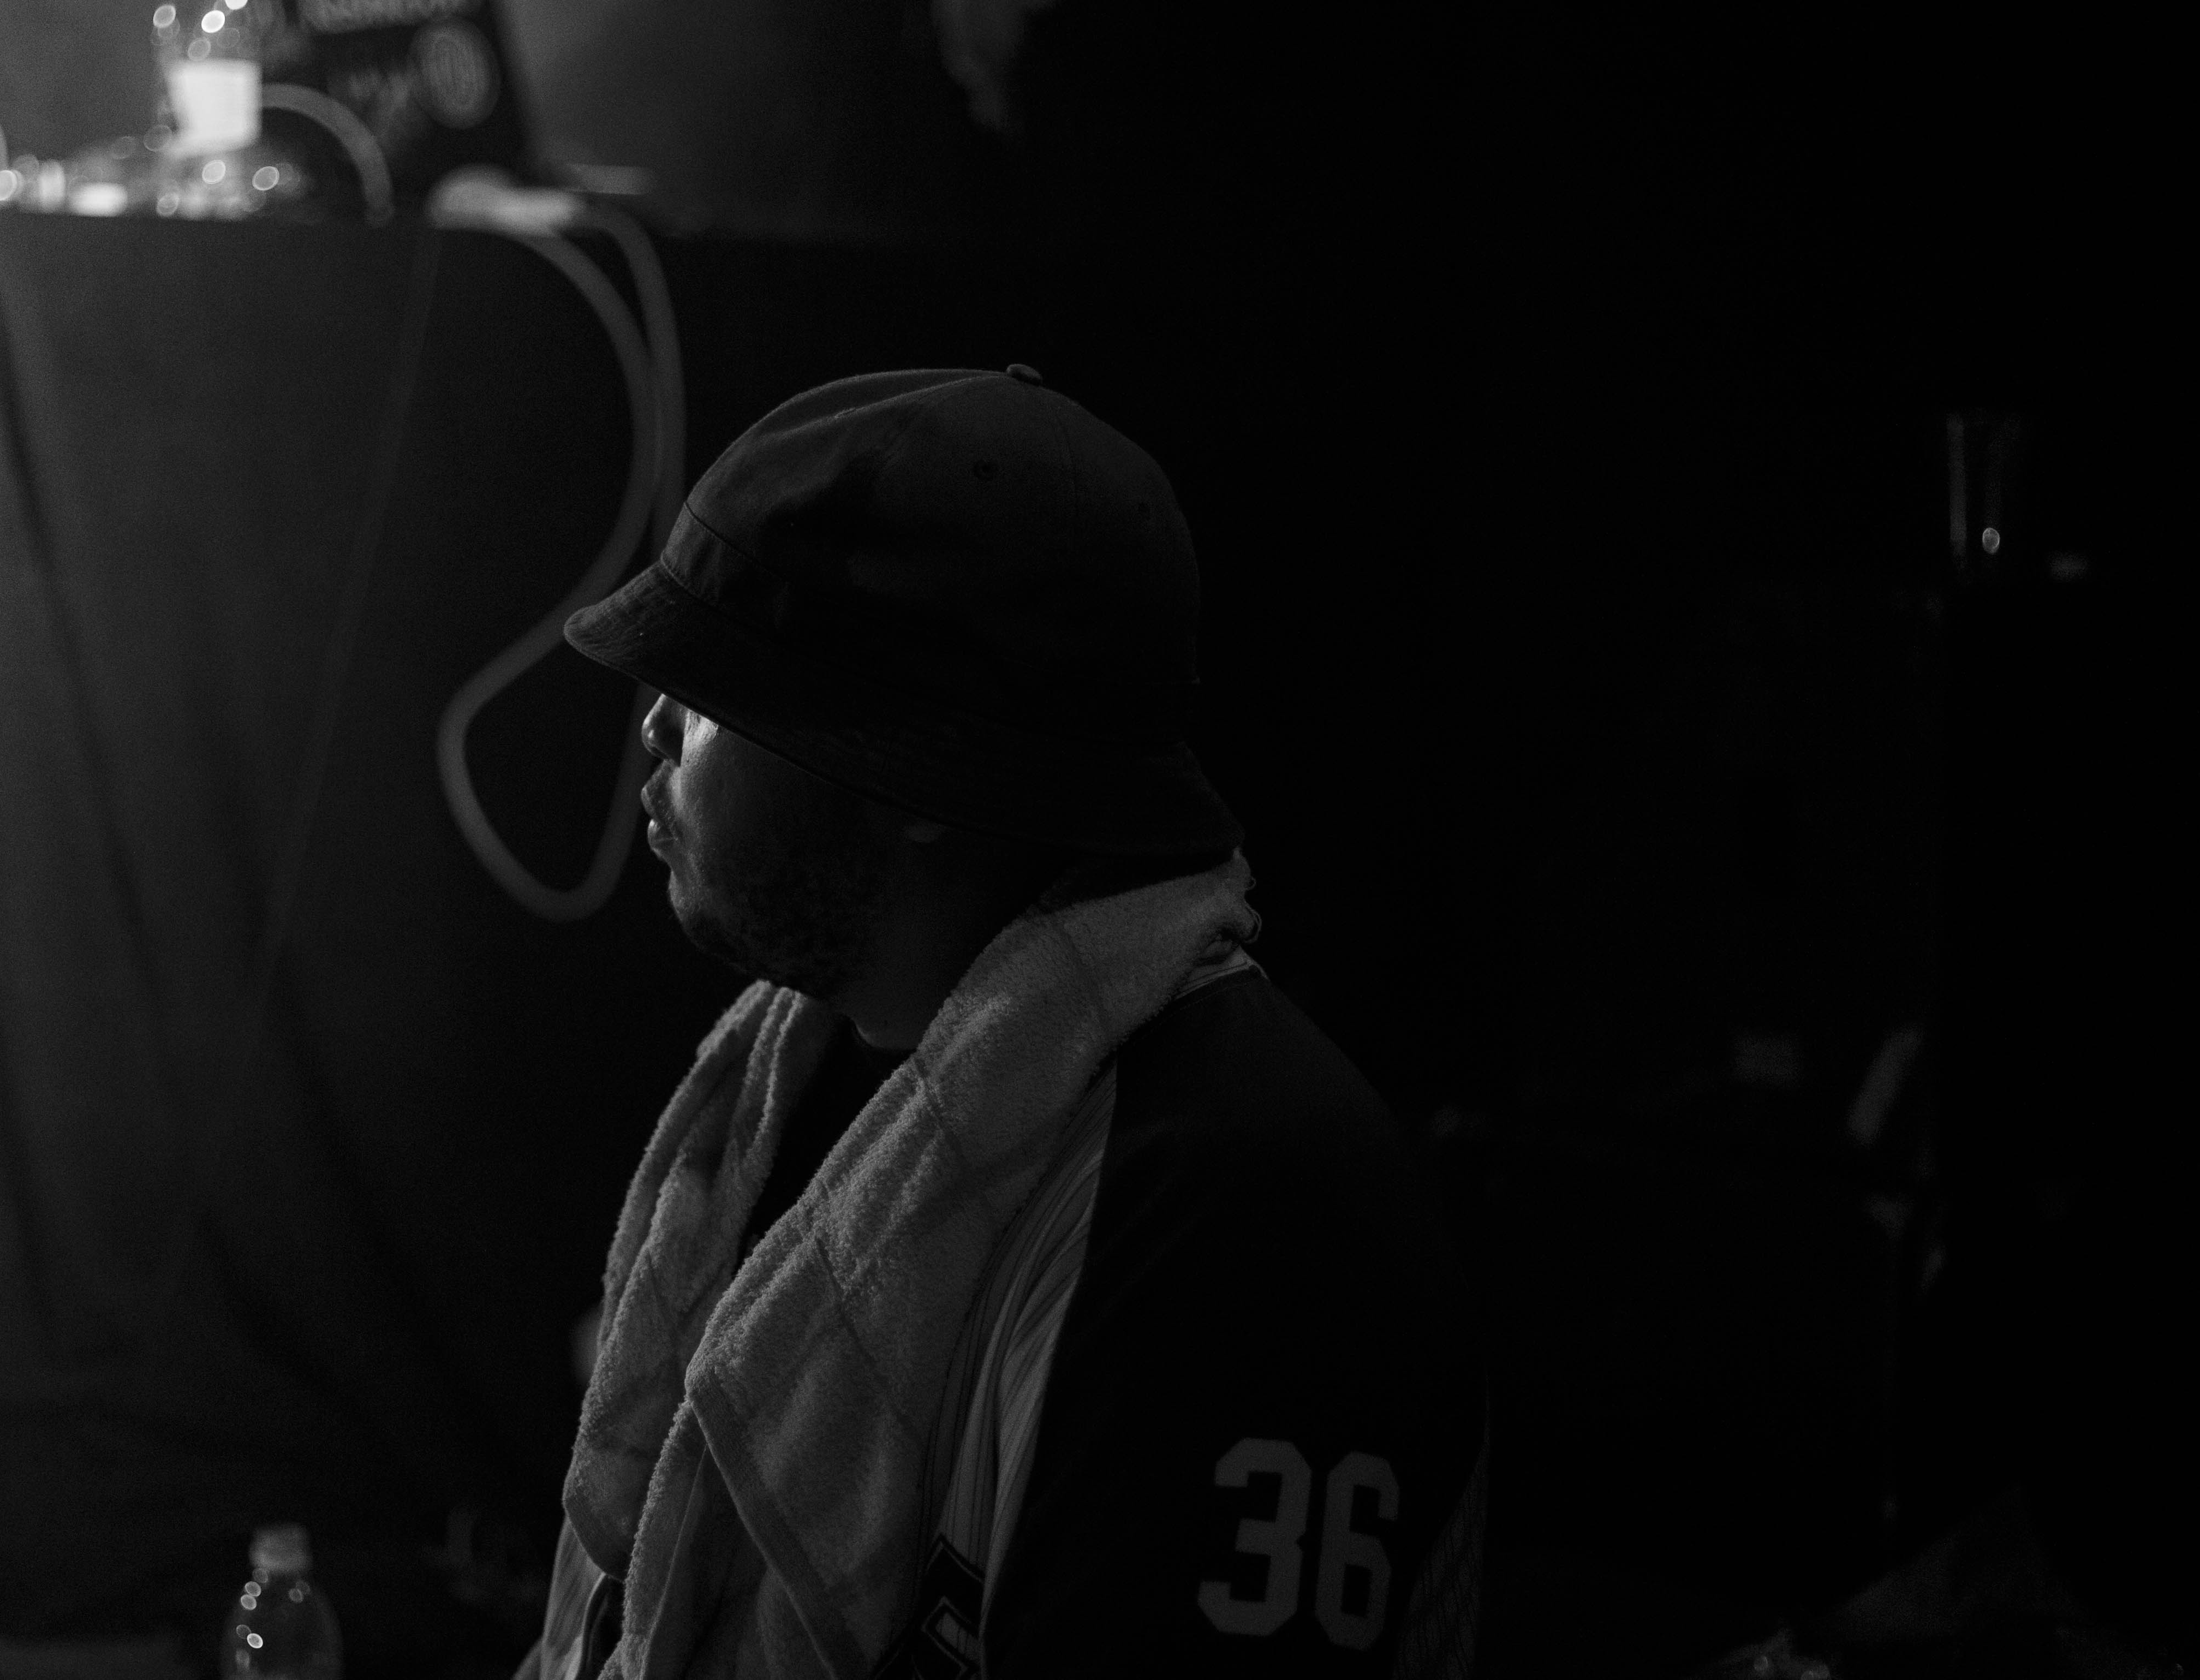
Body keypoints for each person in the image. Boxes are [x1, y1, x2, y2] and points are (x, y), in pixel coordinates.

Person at [519, 367, 1486, 1678]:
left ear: (914, 771)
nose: (655, 724)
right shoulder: (795, 1080)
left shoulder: (1247, 1210)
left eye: (716, 688)